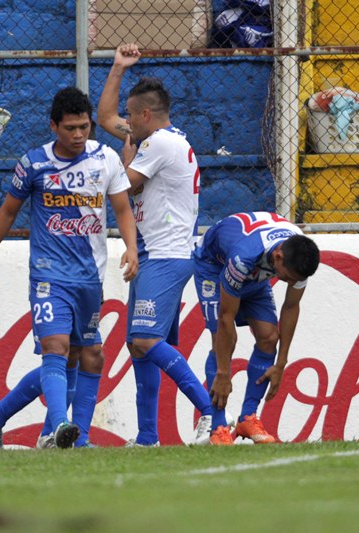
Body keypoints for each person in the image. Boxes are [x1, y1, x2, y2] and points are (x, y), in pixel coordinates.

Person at [0, 86, 138, 449]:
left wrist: (131, 247)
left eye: (84, 127)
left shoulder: (106, 158)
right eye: (70, 128)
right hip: (49, 276)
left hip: (89, 278)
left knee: (88, 355)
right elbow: (7, 212)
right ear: (53, 126)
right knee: (57, 347)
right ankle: (59, 428)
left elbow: (123, 209)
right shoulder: (34, 164)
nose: (78, 135)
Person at [97, 43, 216, 446]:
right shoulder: (157, 138)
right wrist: (118, 67)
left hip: (166, 255)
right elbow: (105, 118)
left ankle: (212, 414)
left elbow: (124, 186)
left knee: (147, 340)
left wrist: (121, 160)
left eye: (131, 115)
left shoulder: (158, 144)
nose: (126, 121)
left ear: (146, 115)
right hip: (153, 255)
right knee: (139, 345)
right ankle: (148, 436)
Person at [194, 211, 320, 444]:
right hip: (214, 266)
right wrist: (223, 373)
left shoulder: (298, 255)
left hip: (256, 270)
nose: (291, 283)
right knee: (224, 341)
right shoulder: (243, 257)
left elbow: (291, 306)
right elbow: (226, 318)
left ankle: (248, 417)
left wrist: (281, 363)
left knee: (269, 337)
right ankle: (218, 426)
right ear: (279, 257)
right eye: (287, 278)